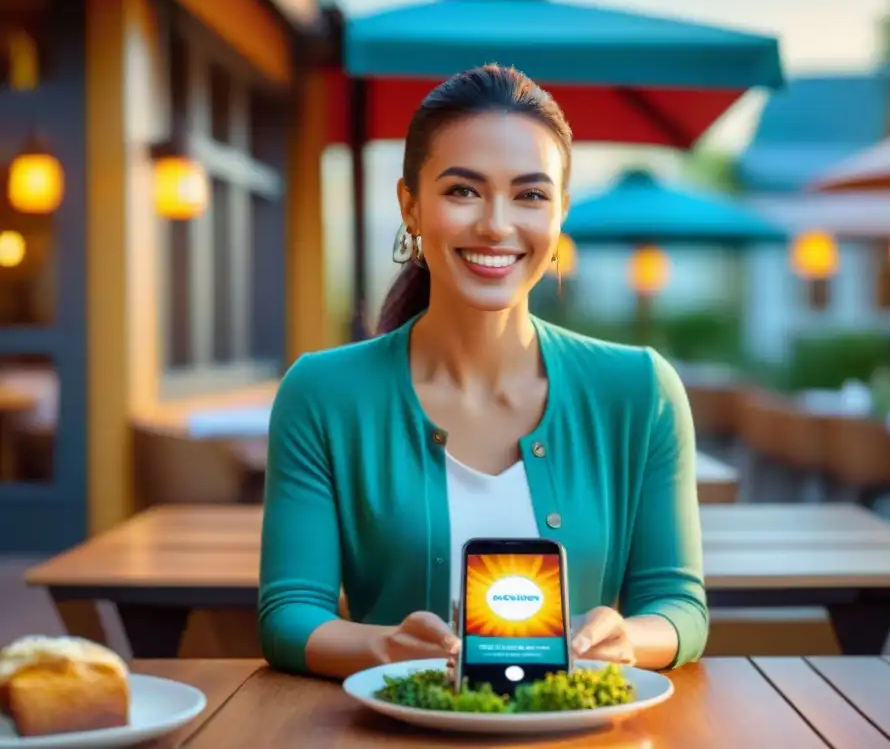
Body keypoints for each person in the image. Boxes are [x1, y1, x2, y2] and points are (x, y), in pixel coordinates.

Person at [258, 64, 707, 680]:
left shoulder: (641, 391)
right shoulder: (322, 394)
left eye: (530, 194)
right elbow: (289, 615)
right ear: (410, 205)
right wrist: (385, 648)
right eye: (463, 191)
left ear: (559, 215)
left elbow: (680, 608)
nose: (497, 224)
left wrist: (627, 638)